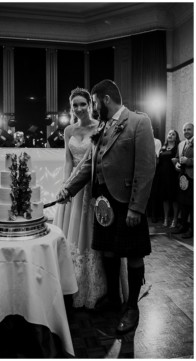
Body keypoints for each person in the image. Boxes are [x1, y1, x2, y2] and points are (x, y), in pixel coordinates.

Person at [59, 79, 155, 334]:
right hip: (102, 204)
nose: (92, 107)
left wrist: (136, 208)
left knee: (133, 254)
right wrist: (68, 189)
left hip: (126, 204)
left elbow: (146, 168)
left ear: (105, 99)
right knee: (109, 252)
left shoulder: (138, 121)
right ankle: (113, 298)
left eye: (93, 101)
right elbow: (89, 162)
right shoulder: (102, 127)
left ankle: (132, 307)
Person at [54, 87, 122, 309]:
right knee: (72, 236)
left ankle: (98, 289)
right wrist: (66, 184)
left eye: (83, 104)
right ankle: (69, 286)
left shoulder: (99, 127)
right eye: (75, 105)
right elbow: (67, 160)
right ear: (71, 107)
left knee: (93, 234)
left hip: (92, 186)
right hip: (73, 186)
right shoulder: (68, 130)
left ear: (90, 105)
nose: (79, 108)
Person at [155, 130, 180, 228]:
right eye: (169, 134)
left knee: (174, 199)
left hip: (173, 176)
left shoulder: (177, 148)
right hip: (162, 177)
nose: (170, 135)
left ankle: (175, 220)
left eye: (173, 134)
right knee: (164, 198)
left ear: (176, 137)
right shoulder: (163, 148)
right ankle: (166, 219)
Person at [173, 123, 193, 238]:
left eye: (189, 129)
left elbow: (187, 160)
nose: (186, 131)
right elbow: (177, 157)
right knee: (182, 203)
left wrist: (188, 161)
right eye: (184, 130)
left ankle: (191, 230)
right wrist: (176, 164)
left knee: (191, 205)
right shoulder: (181, 144)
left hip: (192, 178)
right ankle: (183, 226)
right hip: (182, 178)